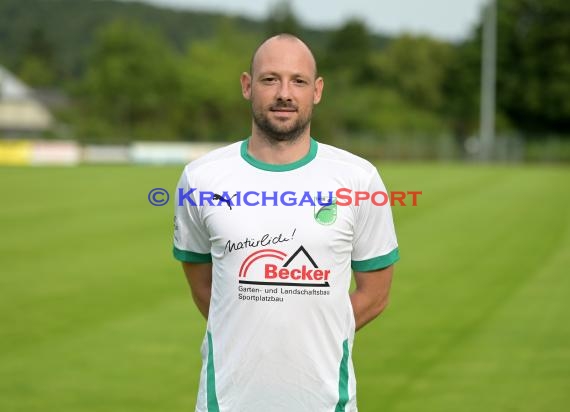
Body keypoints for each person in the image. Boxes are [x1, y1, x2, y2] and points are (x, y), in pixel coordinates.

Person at [173, 33, 399, 412]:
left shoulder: (359, 180)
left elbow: (376, 294)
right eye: (269, 79)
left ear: (318, 90)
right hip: (225, 403)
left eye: (298, 81)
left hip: (327, 403)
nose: (284, 93)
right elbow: (203, 287)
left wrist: (317, 332)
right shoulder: (201, 179)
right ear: (247, 86)